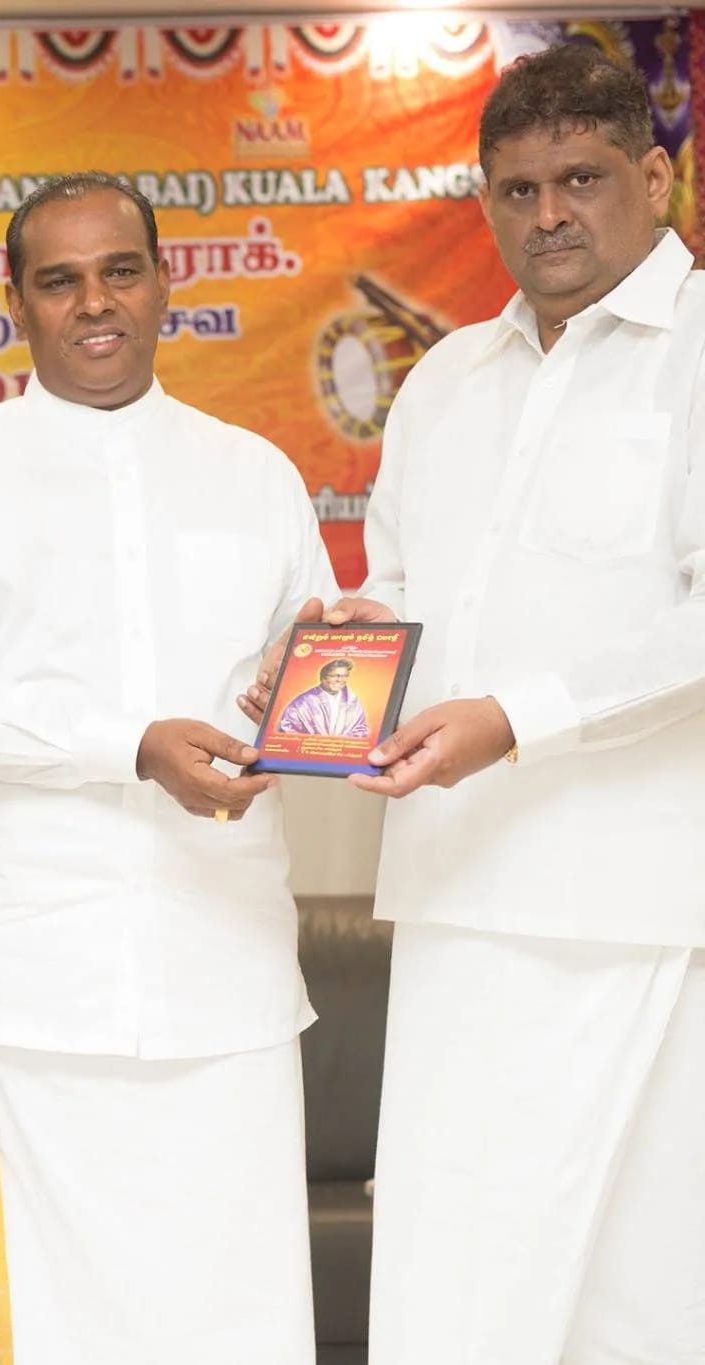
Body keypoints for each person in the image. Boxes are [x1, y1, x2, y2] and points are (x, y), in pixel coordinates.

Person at [240, 44, 705, 1361]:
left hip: (634, 905)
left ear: (655, 178)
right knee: (451, 1268)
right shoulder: (447, 378)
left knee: (640, 1285)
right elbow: (398, 592)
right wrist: (327, 661)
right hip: (451, 890)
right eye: (515, 189)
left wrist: (513, 717)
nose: (547, 214)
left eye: (580, 180)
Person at [0, 173, 337, 1364]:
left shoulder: (253, 473)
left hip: (224, 978)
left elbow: (313, 679)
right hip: (33, 990)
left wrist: (315, 683)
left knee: (237, 1325)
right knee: (39, 1330)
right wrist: (129, 748)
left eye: (119, 271)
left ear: (162, 282)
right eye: (59, 280)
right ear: (14, 302)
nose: (93, 302)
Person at [275, 659, 370, 737]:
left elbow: (361, 729)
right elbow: (287, 730)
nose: (340, 680)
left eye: (344, 676)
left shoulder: (353, 701)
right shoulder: (302, 702)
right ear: (323, 678)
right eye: (334, 676)